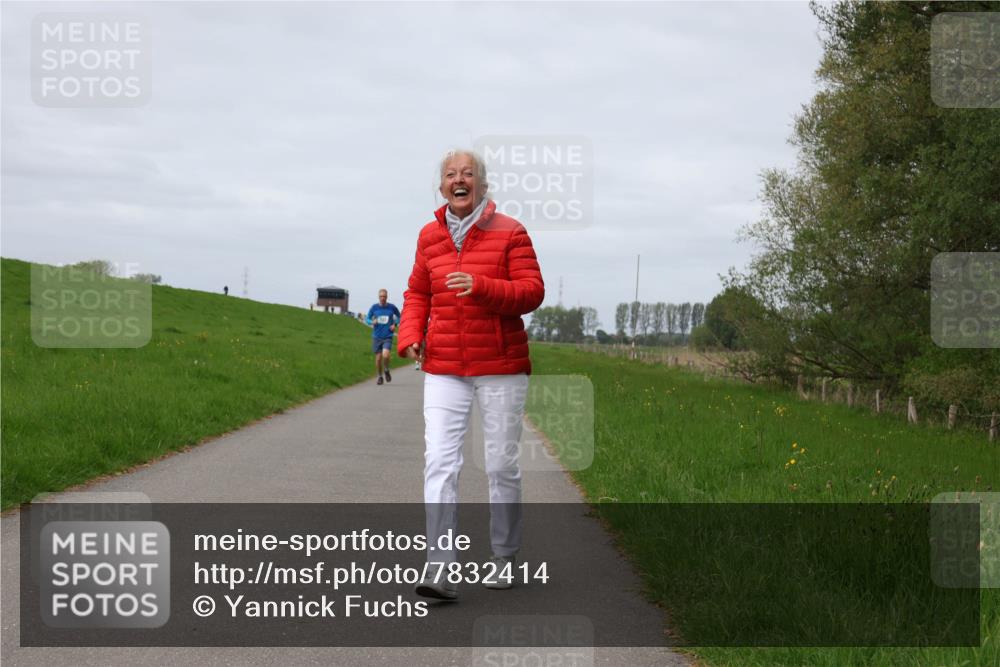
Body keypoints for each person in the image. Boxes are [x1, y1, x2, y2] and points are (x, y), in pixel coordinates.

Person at [397, 149, 544, 600]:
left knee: (500, 464)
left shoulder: (510, 231)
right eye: (450, 174)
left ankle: (504, 556)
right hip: (444, 366)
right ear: (442, 186)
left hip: (500, 366)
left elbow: (531, 292)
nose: (458, 180)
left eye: (468, 174)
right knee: (440, 462)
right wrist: (411, 334)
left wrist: (481, 287)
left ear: (482, 184)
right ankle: (440, 567)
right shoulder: (429, 235)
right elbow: (417, 292)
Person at [366, 289, 401, 385]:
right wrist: (372, 322)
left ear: (387, 297)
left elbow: (399, 317)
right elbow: (367, 318)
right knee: (378, 359)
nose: (382, 298)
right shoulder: (374, 307)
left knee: (385, 355)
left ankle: (386, 370)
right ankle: (380, 376)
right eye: (381, 296)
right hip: (377, 336)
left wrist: (395, 324)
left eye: (384, 296)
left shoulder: (392, 307)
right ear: (378, 297)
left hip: (388, 336)